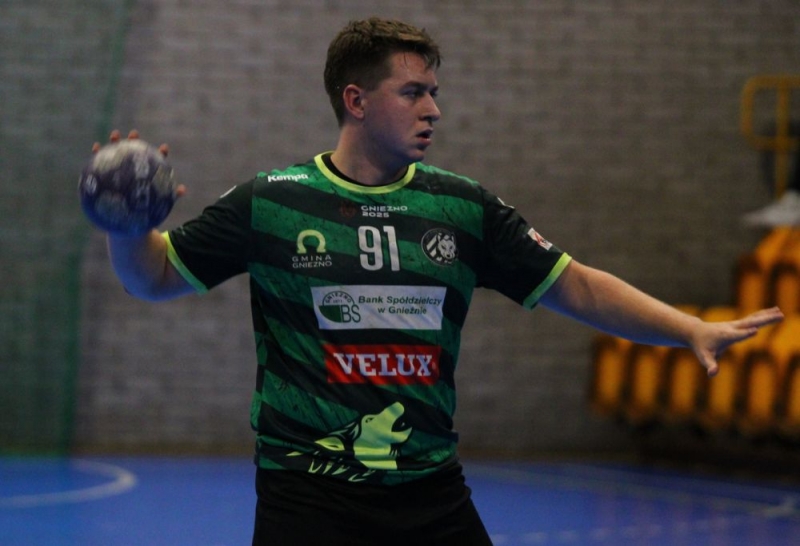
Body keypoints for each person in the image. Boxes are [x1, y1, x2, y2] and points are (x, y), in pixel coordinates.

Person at [96, 17, 783, 546]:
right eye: (413, 93)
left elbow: (576, 285)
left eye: (434, 93)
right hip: (306, 497)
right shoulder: (273, 201)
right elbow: (154, 277)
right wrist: (127, 228)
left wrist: (687, 329)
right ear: (356, 100)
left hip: (429, 493)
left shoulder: (461, 206)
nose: (433, 110)